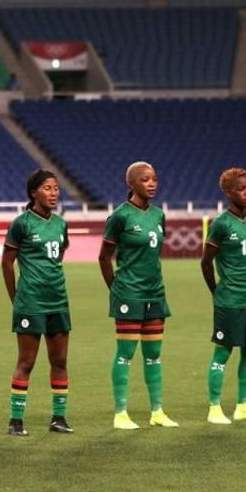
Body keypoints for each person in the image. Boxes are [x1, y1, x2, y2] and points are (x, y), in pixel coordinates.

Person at [99, 161, 178, 429]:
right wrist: (118, 290)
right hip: (129, 294)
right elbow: (104, 258)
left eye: (154, 178)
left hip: (155, 294)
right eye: (145, 179)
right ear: (132, 184)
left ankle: (157, 412)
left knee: (154, 354)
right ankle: (120, 413)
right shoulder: (120, 216)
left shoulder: (158, 215)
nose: (152, 183)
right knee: (126, 353)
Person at [2, 169, 73, 436]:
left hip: (58, 300)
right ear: (34, 193)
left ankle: (59, 418)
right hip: (30, 302)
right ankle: (16, 421)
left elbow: (59, 255)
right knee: (26, 362)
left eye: (56, 188)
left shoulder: (60, 224)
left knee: (60, 360)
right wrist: (16, 298)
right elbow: (7, 263)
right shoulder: (21, 224)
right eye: (47, 188)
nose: (54, 193)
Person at [201, 168, 246, 424]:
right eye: (241, 189)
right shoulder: (221, 224)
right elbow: (206, 262)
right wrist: (216, 292)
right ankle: (215, 408)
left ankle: (243, 406)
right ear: (228, 193)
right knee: (223, 353)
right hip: (229, 299)